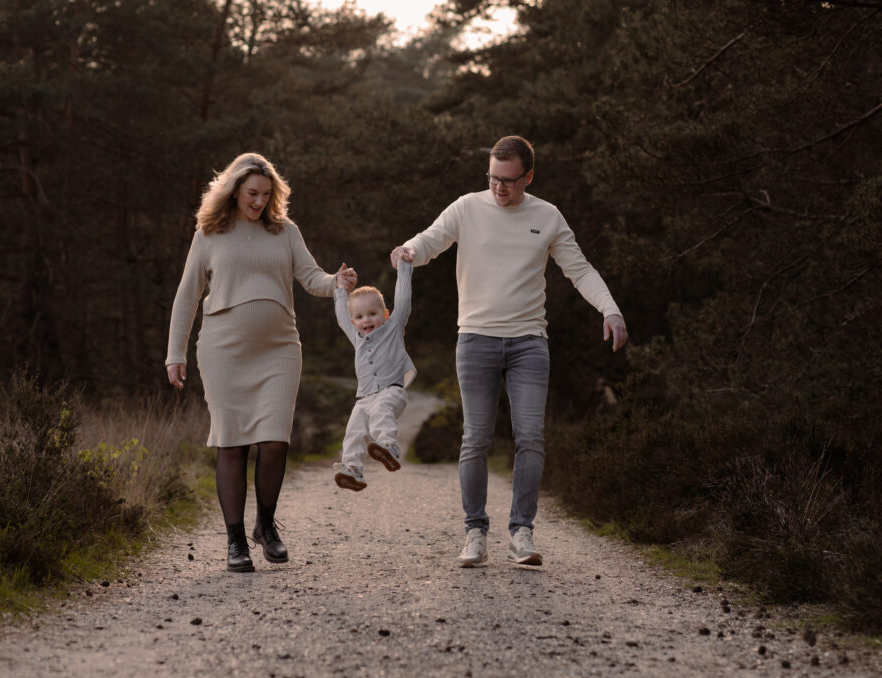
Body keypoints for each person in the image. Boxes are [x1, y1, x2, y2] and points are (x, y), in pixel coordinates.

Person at [391, 135, 627, 568]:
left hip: (529, 343)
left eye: (509, 181)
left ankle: (522, 532)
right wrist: (408, 250)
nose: (499, 189)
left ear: (528, 177)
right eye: (493, 179)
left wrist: (610, 310)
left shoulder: (548, 216)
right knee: (476, 438)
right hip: (476, 340)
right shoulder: (467, 207)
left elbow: (580, 269)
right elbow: (430, 240)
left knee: (530, 436)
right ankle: (475, 533)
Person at [166, 152, 357, 573]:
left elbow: (313, 279)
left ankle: (266, 526)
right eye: (252, 193)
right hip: (222, 350)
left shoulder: (285, 231)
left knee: (274, 441)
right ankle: (235, 542)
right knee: (232, 442)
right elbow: (187, 296)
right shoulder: (209, 233)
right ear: (233, 190)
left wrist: (337, 282)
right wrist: (175, 353)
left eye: (266, 195)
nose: (259, 202)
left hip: (279, 349)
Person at [331, 259, 416, 491]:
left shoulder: (394, 327)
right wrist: (339, 290)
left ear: (385, 314)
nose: (366, 320)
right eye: (359, 317)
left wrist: (405, 268)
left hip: (392, 390)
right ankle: (353, 470)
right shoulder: (357, 337)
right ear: (353, 322)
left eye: (372, 313)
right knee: (354, 430)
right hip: (365, 397)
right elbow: (341, 316)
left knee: (381, 411)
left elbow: (404, 300)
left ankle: (390, 447)